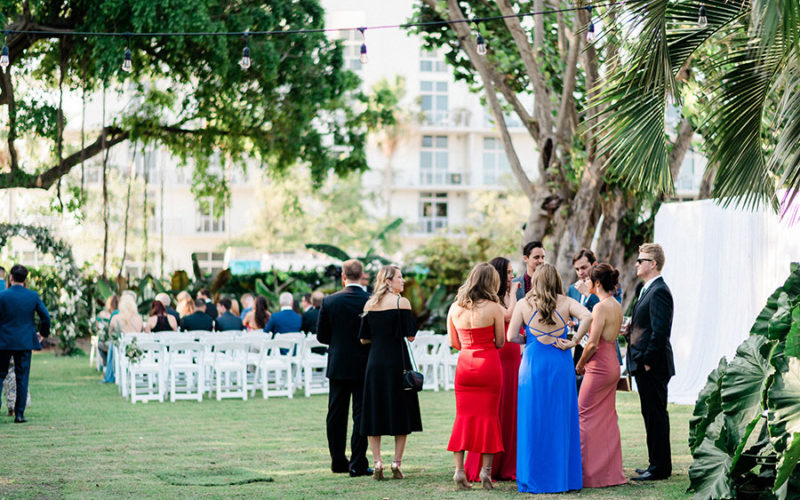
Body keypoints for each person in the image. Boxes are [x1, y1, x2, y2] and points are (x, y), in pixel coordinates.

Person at [507, 263, 591, 494]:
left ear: (536, 281)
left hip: (533, 365)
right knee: (560, 419)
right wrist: (574, 341)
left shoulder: (524, 304)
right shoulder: (565, 302)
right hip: (560, 363)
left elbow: (511, 335)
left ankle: (533, 477)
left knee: (532, 420)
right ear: (557, 280)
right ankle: (561, 477)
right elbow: (588, 316)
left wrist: (529, 341)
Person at [358, 265, 422, 480]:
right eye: (399, 277)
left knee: (374, 410)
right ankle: (396, 462)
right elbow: (410, 336)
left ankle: (377, 462)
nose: (403, 281)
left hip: (375, 362)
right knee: (400, 410)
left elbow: (363, 338)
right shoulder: (401, 302)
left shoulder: (370, 304)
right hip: (397, 361)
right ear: (388, 281)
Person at [446, 263, 506, 491]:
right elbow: (500, 342)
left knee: (463, 417)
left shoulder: (455, 308)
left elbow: (454, 342)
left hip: (464, 365)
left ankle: (459, 470)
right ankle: (485, 472)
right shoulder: (494, 308)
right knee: (489, 418)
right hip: (488, 365)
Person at [464, 257, 520, 482]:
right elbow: (510, 316)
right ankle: (488, 466)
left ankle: (507, 463)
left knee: (510, 409)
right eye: (507, 273)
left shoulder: (504, 297)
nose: (511, 277)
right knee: (493, 411)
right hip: (496, 359)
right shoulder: (492, 301)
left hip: (513, 358)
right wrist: (516, 295)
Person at [317, 259, 372, 477]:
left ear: (343, 276)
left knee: (336, 414)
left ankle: (338, 461)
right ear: (362, 276)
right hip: (363, 364)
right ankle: (358, 463)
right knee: (361, 414)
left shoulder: (330, 301)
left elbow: (322, 336)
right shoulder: (370, 300)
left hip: (339, 363)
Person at [574, 263, 627, 488]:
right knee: (606, 418)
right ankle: (609, 472)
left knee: (583, 414)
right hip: (613, 364)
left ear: (596, 283)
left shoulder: (600, 307)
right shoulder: (616, 305)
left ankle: (588, 474)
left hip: (599, 367)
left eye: (589, 280)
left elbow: (593, 343)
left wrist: (580, 363)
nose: (585, 283)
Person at [627, 243, 675, 481]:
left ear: (652, 264)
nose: (636, 264)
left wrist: (646, 361)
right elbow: (646, 326)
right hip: (643, 363)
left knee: (656, 414)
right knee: (650, 413)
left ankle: (660, 468)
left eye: (640, 260)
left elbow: (660, 331)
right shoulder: (647, 289)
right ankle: (655, 462)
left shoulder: (660, 291)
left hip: (652, 365)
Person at [567, 248, 624, 393]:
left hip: (603, 350)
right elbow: (573, 316)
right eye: (577, 269)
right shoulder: (572, 290)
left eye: (584, 267)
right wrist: (573, 324)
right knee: (579, 395)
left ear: (594, 264)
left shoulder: (613, 287)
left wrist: (588, 293)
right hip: (581, 349)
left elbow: (611, 308)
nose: (580, 272)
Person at [0, 264, 51, 423]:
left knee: (0, 376)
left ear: (11, 277)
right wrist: (42, 334)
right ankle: (19, 414)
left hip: (4, 341)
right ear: (25, 279)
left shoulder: (2, 296)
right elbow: (46, 317)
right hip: (24, 341)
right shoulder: (33, 296)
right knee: (22, 378)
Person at [96, 294, 119, 367]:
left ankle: (106, 366)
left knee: (100, 344)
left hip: (111, 343)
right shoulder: (121, 314)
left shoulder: (104, 315)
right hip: (117, 343)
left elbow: (98, 328)